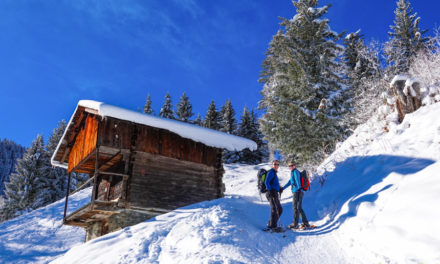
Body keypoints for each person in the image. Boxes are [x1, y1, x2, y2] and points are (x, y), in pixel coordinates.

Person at [281, 161, 312, 230]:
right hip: (298, 191)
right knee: (298, 207)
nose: (290, 167)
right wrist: (283, 188)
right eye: (289, 166)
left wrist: (298, 189)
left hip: (298, 192)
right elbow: (290, 182)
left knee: (295, 208)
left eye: (292, 165)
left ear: (294, 165)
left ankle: (295, 223)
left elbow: (298, 182)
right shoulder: (292, 172)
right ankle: (305, 222)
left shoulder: (295, 172)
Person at [264, 160, 283, 229]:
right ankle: (272, 225)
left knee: (279, 209)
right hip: (271, 193)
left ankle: (272, 223)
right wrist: (270, 191)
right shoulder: (271, 172)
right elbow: (266, 182)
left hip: (274, 192)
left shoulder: (274, 173)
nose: (276, 165)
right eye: (275, 164)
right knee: (274, 209)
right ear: (272, 165)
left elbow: (274, 183)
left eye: (277, 164)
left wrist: (279, 188)